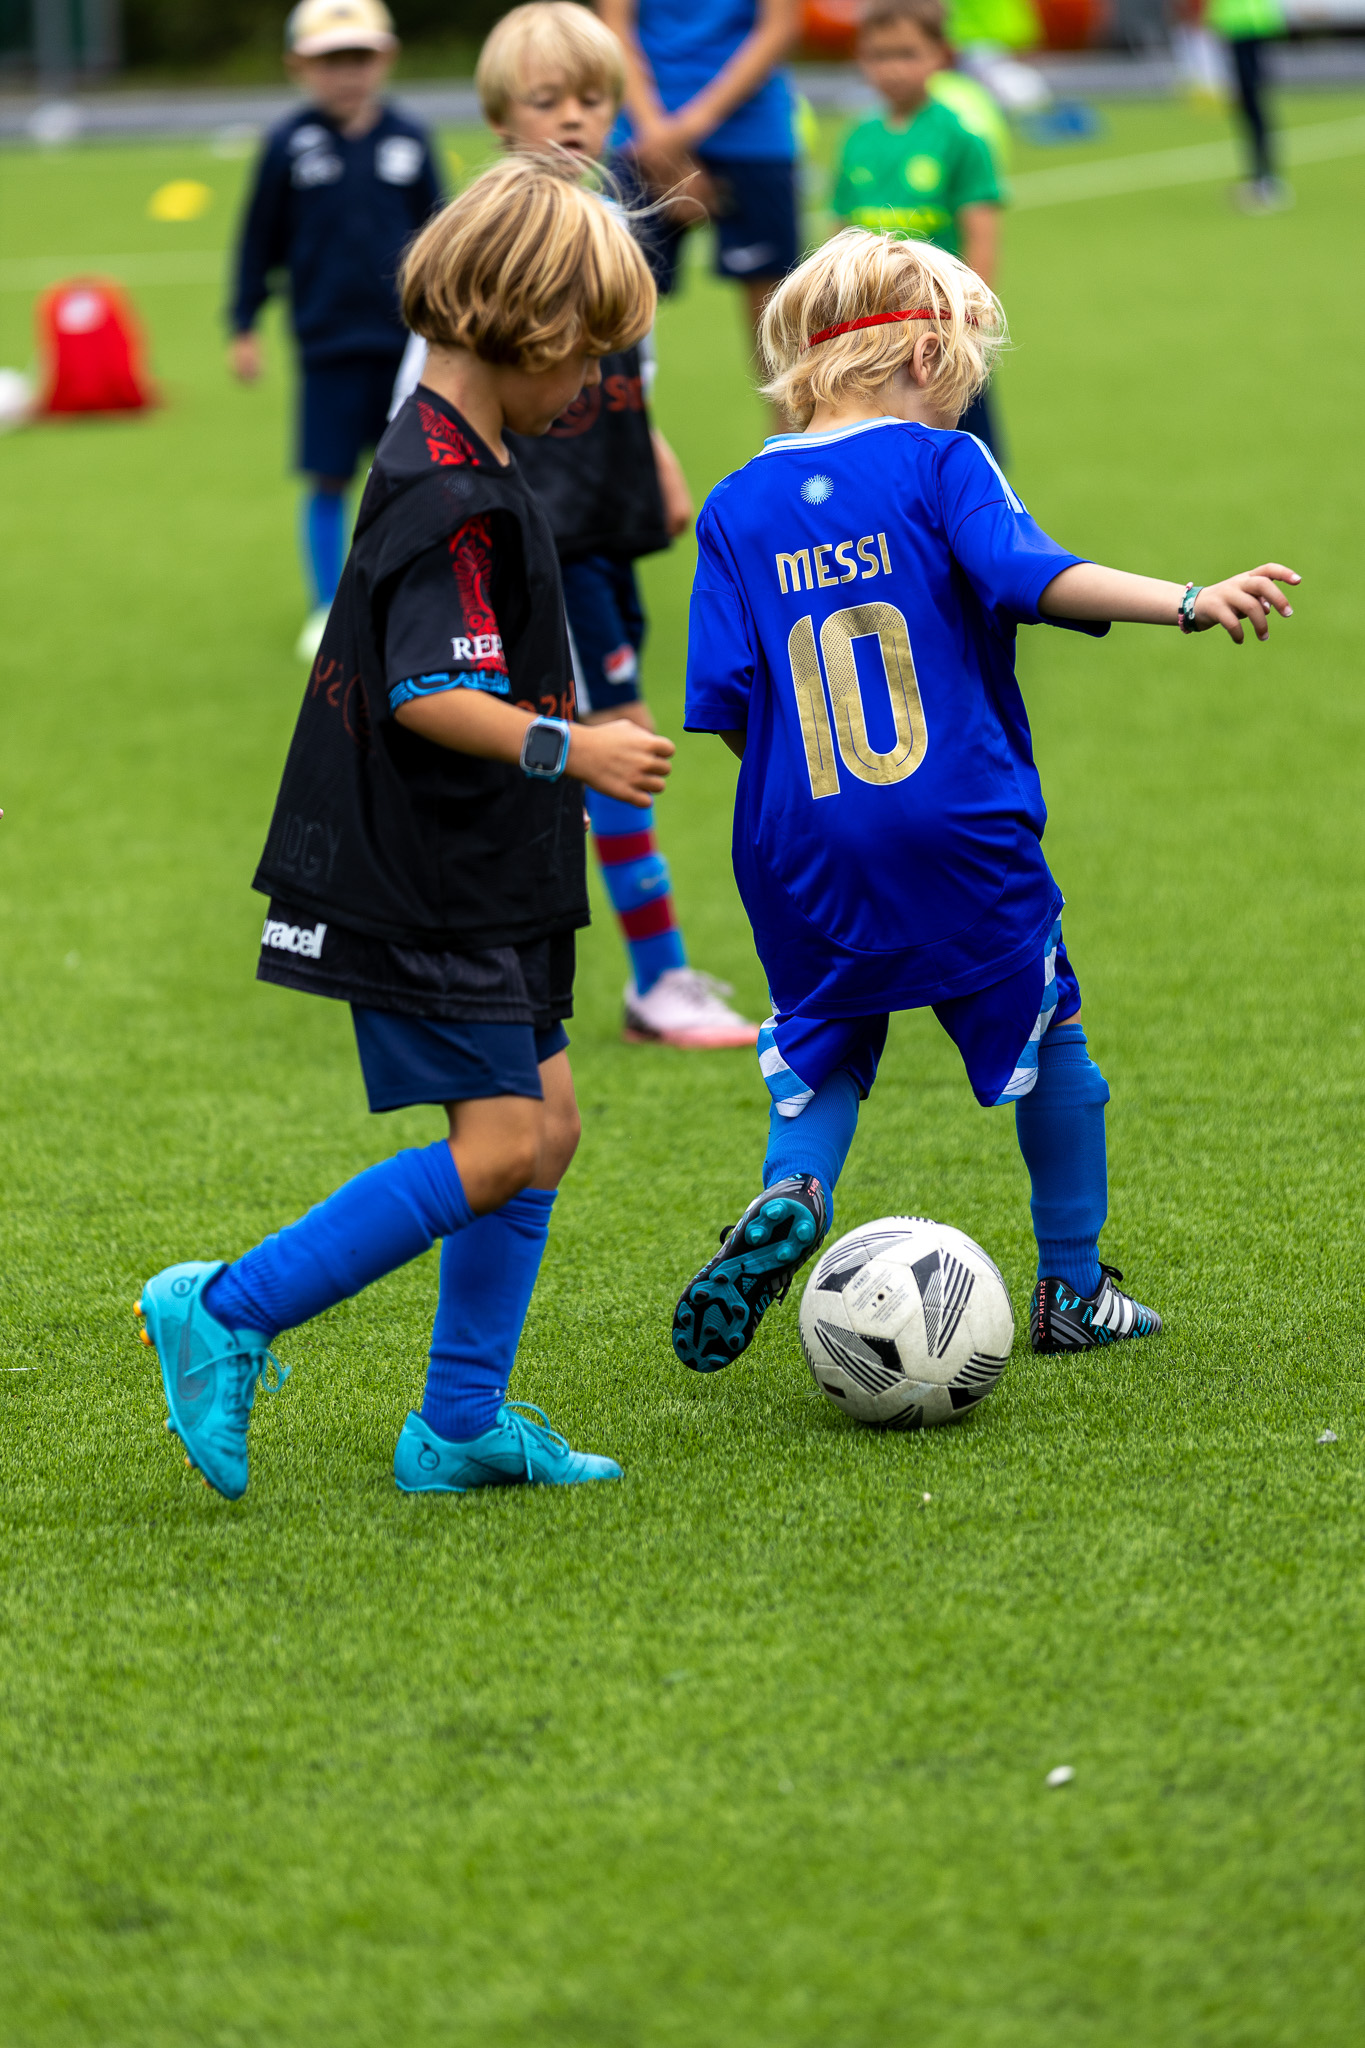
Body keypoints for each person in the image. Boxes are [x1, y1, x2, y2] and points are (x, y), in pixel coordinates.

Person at [138, 158, 675, 1502]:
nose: (587, 396)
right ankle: (228, 1308)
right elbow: (435, 694)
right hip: (425, 878)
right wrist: (577, 746)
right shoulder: (445, 497)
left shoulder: (463, 454)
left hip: (485, 867)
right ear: (536, 333)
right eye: (589, 366)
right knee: (498, 1146)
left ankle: (460, 1422)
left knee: (542, 1128)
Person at [671, 229, 1298, 1371]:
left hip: (796, 836)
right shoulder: (942, 461)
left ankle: (796, 1191)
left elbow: (724, 701)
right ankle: (1071, 1287)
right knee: (1059, 1036)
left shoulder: (735, 504)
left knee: (824, 1043)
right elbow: (1031, 577)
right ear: (924, 352)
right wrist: (1191, 597)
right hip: (957, 820)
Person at [391, 2, 760, 1049]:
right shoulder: (488, 244)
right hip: (528, 545)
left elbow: (625, 356)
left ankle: (646, 973)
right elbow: (427, 380)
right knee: (606, 744)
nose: (573, 118)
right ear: (501, 117)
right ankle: (657, 977)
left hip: (600, 524)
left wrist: (658, 453)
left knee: (607, 743)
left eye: (593, 98)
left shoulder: (610, 213)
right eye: (547, 100)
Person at [228, 0, 445, 662]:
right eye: (329, 60)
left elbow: (441, 239)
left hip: (406, 347)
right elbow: (256, 239)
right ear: (299, 66)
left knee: (411, 476)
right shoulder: (287, 145)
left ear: (385, 58)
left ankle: (414, 595)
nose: (345, 73)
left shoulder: (410, 138)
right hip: (325, 347)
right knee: (327, 478)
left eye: (357, 57)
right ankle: (328, 606)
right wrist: (243, 323)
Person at [832, 0, 1005, 455]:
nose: (892, 69)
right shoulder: (856, 139)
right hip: (869, 338)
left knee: (963, 456)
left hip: (941, 333)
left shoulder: (961, 137)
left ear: (940, 55)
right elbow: (840, 241)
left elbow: (981, 245)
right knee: (882, 461)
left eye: (907, 54)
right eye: (878, 55)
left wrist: (967, 328)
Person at [596, 0, 801, 361]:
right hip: (642, 136)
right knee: (606, 310)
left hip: (751, 135)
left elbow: (778, 27)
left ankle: (795, 421)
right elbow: (614, 25)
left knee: (779, 326)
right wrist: (658, 138)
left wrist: (680, 135)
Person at [1208, 0, 1292, 212]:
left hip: (1245, 23)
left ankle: (1264, 181)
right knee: (1248, 105)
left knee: (1252, 105)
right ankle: (1261, 178)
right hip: (1243, 22)